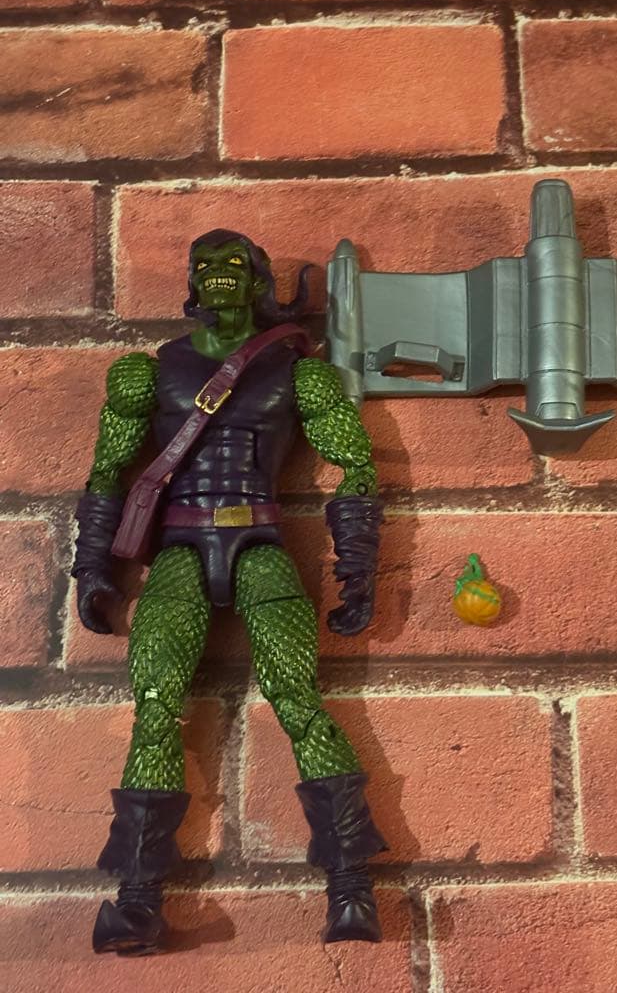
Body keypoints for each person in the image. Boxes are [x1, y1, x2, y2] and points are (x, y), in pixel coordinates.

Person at [72, 229, 386, 955]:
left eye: (233, 262)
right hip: (180, 547)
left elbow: (355, 466)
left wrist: (357, 562)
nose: (217, 272)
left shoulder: (301, 375)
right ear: (191, 280)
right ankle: (138, 901)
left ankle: (351, 889)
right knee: (155, 705)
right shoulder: (147, 373)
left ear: (259, 279)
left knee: (299, 699)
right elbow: (108, 470)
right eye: (204, 263)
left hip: (260, 540)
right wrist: (92, 565)